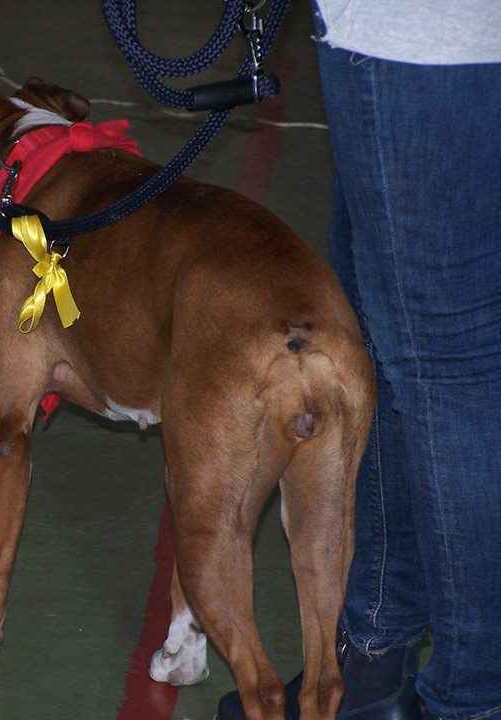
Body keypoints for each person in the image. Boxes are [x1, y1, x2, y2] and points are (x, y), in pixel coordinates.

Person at [220, 2, 501, 719]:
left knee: (445, 367)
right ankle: (375, 660)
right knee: (384, 338)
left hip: (418, 37)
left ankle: (471, 699)